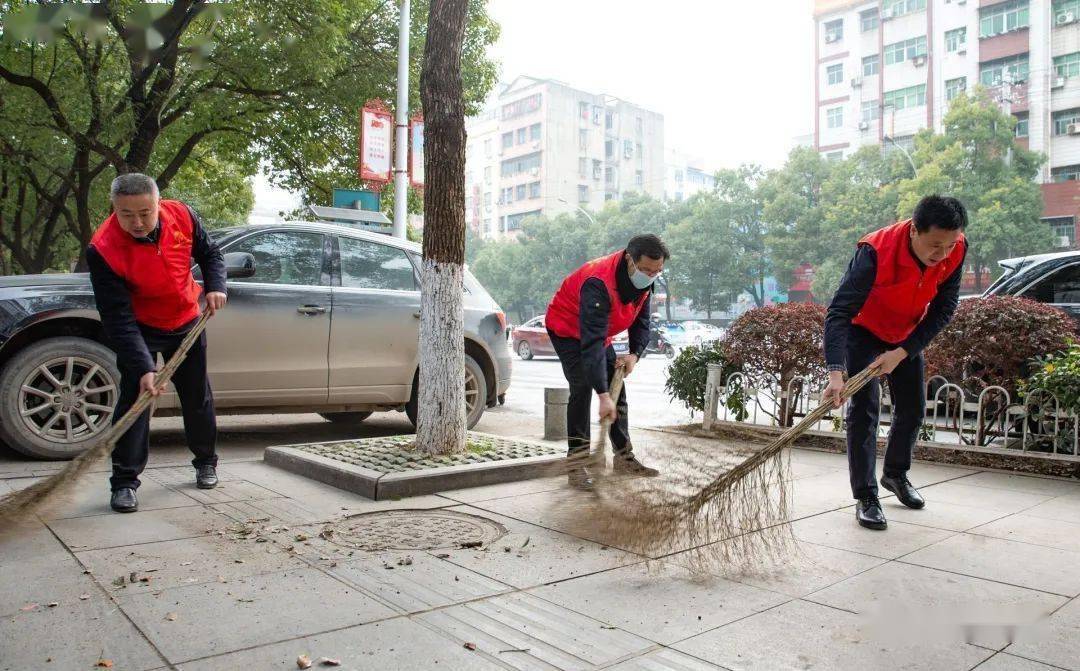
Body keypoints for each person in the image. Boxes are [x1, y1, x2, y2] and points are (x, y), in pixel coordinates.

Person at [822, 195, 968, 530]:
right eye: (935, 245)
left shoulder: (955, 249)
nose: (942, 255)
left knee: (913, 408)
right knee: (865, 410)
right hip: (864, 331)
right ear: (914, 231)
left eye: (949, 246)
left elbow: (944, 308)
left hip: (905, 336)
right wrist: (835, 373)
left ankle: (895, 475)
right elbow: (839, 313)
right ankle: (866, 496)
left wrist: (901, 352)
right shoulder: (874, 252)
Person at [87, 174, 228, 513]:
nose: (137, 222)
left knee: (197, 396)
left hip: (186, 320)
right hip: (140, 327)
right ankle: (124, 483)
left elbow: (211, 254)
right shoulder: (103, 249)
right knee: (134, 402)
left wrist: (215, 285)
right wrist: (143, 366)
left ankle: (206, 461)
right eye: (126, 214)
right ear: (115, 209)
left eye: (145, 212)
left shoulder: (182, 215)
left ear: (158, 203)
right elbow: (116, 316)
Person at [545, 234, 669, 490]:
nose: (650, 275)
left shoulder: (645, 279)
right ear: (629, 259)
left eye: (657, 271)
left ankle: (624, 457)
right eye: (645, 269)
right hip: (568, 329)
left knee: (617, 388)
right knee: (581, 387)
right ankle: (576, 465)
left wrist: (634, 353)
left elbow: (641, 320)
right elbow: (591, 344)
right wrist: (602, 395)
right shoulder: (598, 282)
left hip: (600, 333)